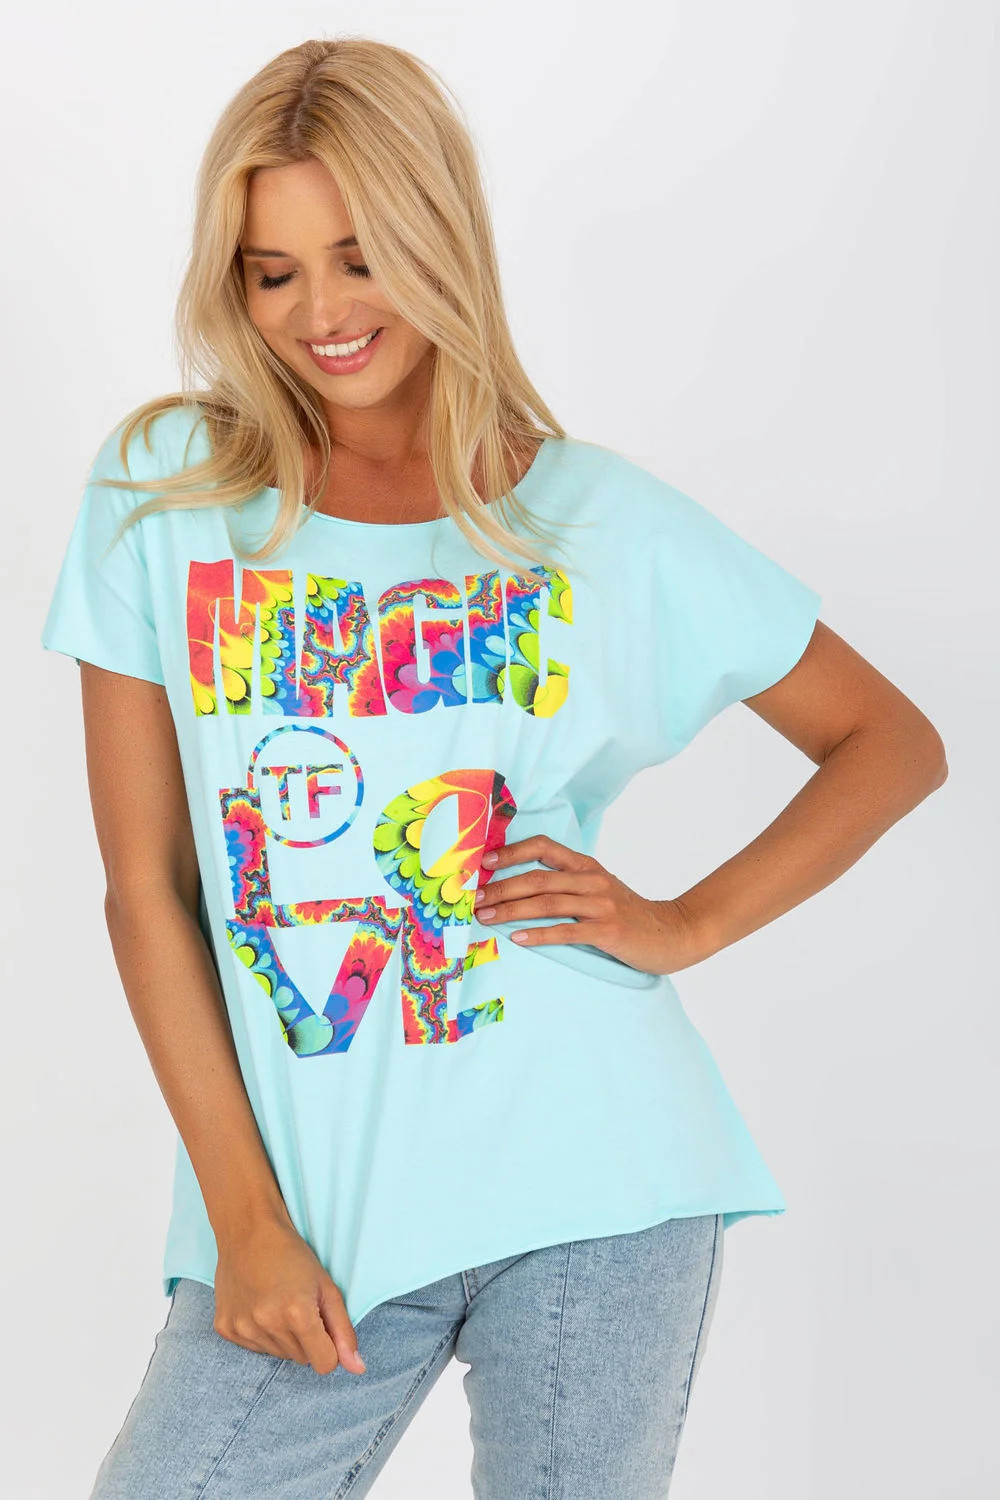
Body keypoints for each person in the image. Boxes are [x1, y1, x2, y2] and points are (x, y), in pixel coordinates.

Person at [39, 35, 948, 1500]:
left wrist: (684, 923)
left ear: (440, 238)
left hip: (593, 1177)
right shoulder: (165, 492)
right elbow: (147, 889)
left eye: (361, 257)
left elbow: (889, 741)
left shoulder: (590, 517)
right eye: (274, 273)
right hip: (307, 1205)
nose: (323, 313)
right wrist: (244, 1220)